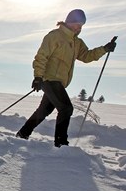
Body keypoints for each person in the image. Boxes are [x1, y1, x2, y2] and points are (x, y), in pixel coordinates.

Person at [16, 9, 117, 147]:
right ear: (69, 22)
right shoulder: (55, 36)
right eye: (77, 23)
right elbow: (41, 56)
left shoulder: (77, 42)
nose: (79, 27)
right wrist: (38, 77)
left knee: (44, 110)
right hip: (49, 79)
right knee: (66, 108)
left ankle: (22, 134)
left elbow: (86, 56)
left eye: (81, 25)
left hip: (60, 82)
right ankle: (61, 143)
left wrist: (105, 49)